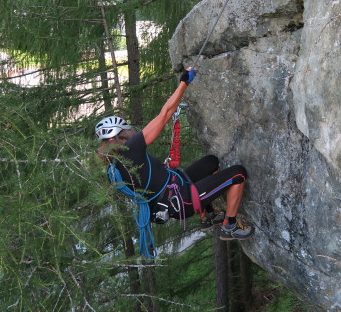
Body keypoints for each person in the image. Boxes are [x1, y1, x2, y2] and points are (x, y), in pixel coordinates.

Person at [95, 68, 254, 241]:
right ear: (121, 134)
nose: (132, 130)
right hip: (182, 200)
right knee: (238, 173)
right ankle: (229, 226)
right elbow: (164, 115)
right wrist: (183, 84)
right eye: (128, 128)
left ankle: (207, 215)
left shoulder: (113, 168)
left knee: (211, 162)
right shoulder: (130, 150)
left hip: (172, 194)